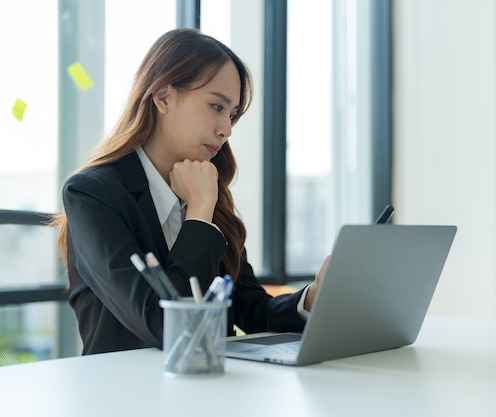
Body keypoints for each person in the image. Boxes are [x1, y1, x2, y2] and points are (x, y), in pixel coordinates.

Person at [53, 28, 327, 355]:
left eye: (233, 114)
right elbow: (164, 325)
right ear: (163, 97)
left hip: (211, 391)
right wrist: (198, 213)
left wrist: (311, 298)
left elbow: (253, 312)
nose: (226, 128)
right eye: (216, 106)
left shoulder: (207, 191)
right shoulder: (93, 194)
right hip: (126, 396)